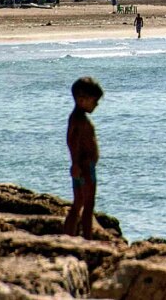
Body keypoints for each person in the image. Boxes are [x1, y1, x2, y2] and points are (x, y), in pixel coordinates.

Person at [63, 77, 103, 238]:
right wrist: (75, 164)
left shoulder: (78, 118)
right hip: (85, 167)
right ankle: (87, 237)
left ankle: (70, 235)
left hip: (83, 165)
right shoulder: (78, 120)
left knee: (79, 203)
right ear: (82, 99)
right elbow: (72, 141)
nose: (96, 105)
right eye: (94, 101)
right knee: (88, 205)